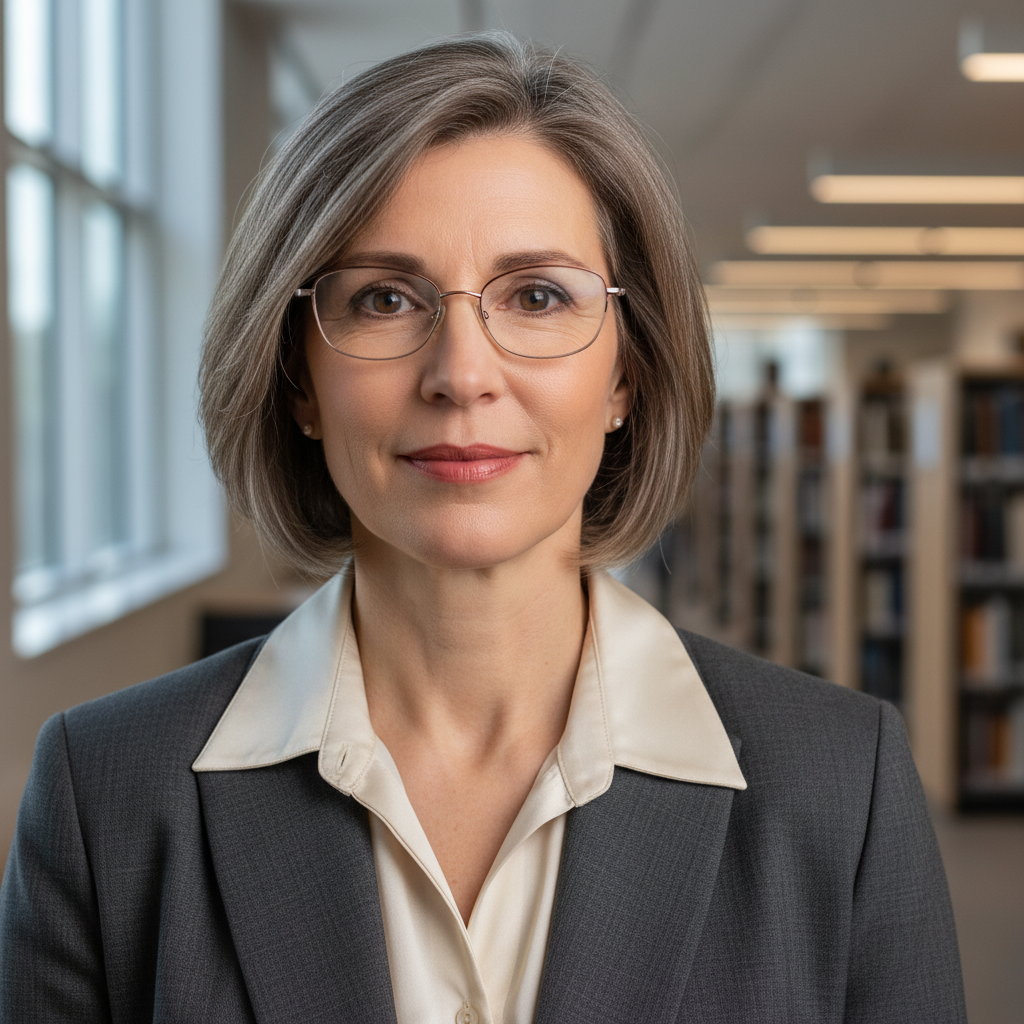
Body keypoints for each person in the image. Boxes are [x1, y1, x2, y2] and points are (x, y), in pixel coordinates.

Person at [0, 32, 965, 1024]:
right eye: (384, 298)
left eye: (537, 296)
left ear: (625, 374)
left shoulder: (842, 789)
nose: (462, 373)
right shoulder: (104, 795)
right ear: (299, 378)